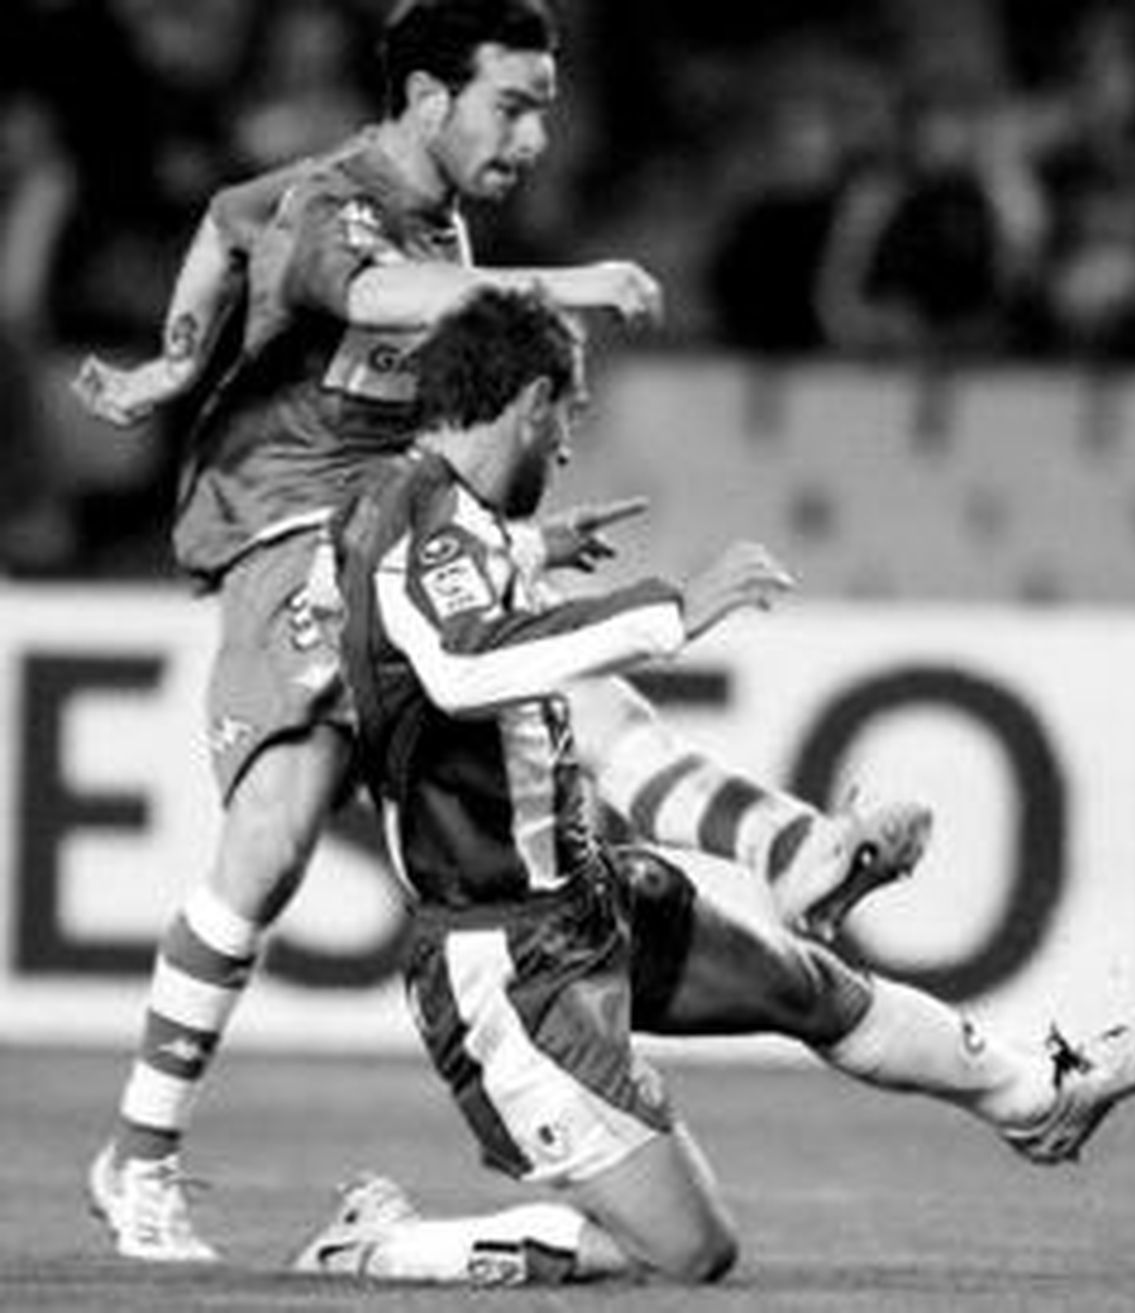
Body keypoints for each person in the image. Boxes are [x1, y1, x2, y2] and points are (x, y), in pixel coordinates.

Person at [84, 0, 930, 1264]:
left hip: (393, 522)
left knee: (564, 691)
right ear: (428, 95)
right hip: (292, 533)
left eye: (544, 103)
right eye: (514, 101)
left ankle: (790, 844)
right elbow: (371, 288)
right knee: (269, 842)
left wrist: (173, 355)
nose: (537, 132)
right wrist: (560, 281)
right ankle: (139, 1155)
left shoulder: (422, 213)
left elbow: (219, 222)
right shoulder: (348, 202)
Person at [285, 285, 1135, 1286]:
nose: (568, 448)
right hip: (501, 962)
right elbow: (460, 659)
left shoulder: (436, 520)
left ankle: (1040, 1093)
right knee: (686, 1251)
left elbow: (426, 617)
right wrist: (676, 605)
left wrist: (535, 547)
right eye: (571, 419)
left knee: (814, 990)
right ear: (534, 399)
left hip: (588, 899)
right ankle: (380, 1242)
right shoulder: (419, 525)